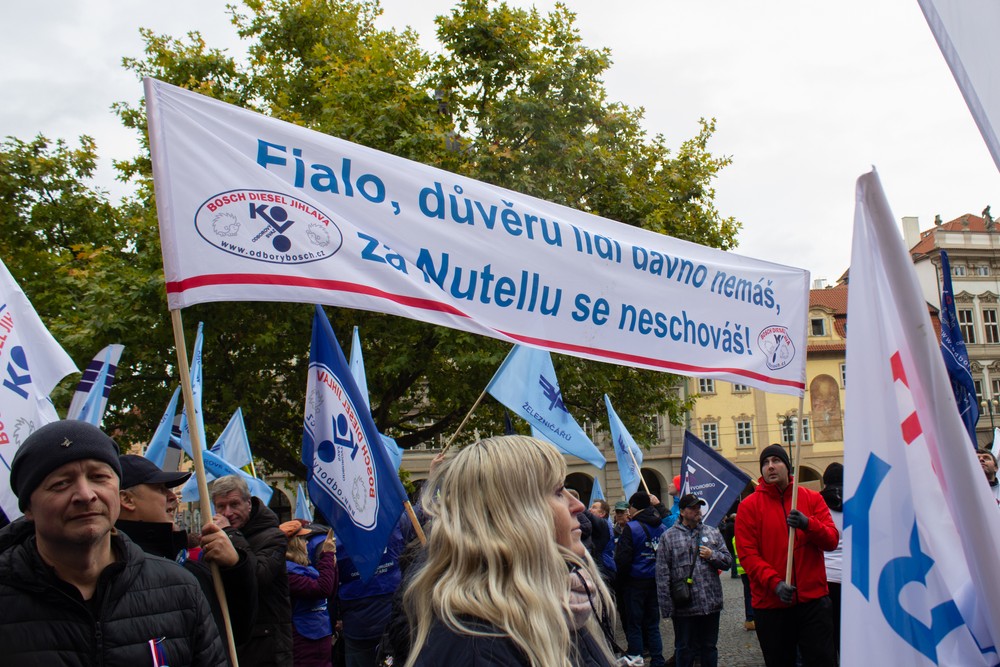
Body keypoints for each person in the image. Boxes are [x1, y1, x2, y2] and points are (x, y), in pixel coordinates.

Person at [0, 420, 226, 665]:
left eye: (99, 477)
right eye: (61, 483)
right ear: (28, 508)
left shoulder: (180, 589)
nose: (86, 495)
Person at [401, 435, 618, 666]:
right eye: (557, 491)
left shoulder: (553, 603)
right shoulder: (478, 650)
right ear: (514, 516)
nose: (578, 505)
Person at [116, 454, 259, 653]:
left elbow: (235, 633)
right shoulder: (112, 571)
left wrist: (235, 568)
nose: (173, 496)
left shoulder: (187, 566)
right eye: (160, 489)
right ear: (127, 499)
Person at [735, 444, 839, 667]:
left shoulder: (812, 499)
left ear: (788, 466)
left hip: (813, 601)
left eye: (776, 461)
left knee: (822, 660)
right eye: (765, 463)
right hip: (772, 605)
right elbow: (748, 555)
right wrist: (775, 583)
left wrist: (808, 524)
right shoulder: (749, 506)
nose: (770, 467)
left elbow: (831, 539)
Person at [213, 474, 293, 667]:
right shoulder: (218, 538)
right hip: (234, 639)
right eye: (221, 507)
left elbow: (258, 576)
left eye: (234, 504)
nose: (228, 512)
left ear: (248, 503)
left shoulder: (273, 537)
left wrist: (231, 535)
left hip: (267, 644)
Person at [656, 494, 732, 667]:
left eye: (699, 507)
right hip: (684, 606)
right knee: (684, 649)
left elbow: (728, 561)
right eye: (693, 508)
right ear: (682, 512)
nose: (698, 511)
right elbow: (662, 574)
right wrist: (666, 607)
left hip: (710, 604)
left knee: (709, 647)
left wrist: (712, 555)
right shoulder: (668, 537)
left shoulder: (712, 532)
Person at [615, 490, 667, 667]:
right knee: (653, 623)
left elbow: (623, 558)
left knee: (634, 623)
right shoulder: (661, 526)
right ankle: (658, 659)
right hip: (655, 580)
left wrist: (620, 581)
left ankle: (636, 657)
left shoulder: (632, 527)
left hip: (635, 582)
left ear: (634, 506)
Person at [282, 520, 338, 667]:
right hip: (304, 642)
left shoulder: (305, 569)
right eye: (303, 539)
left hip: (318, 637)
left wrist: (332, 564)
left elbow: (330, 592)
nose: (307, 544)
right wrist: (326, 555)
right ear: (295, 544)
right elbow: (322, 589)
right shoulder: (288, 574)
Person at [819, 462, 844, 663]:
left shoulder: (817, 504)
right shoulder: (857, 501)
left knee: (827, 632)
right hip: (851, 579)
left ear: (825, 483)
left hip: (825, 577)